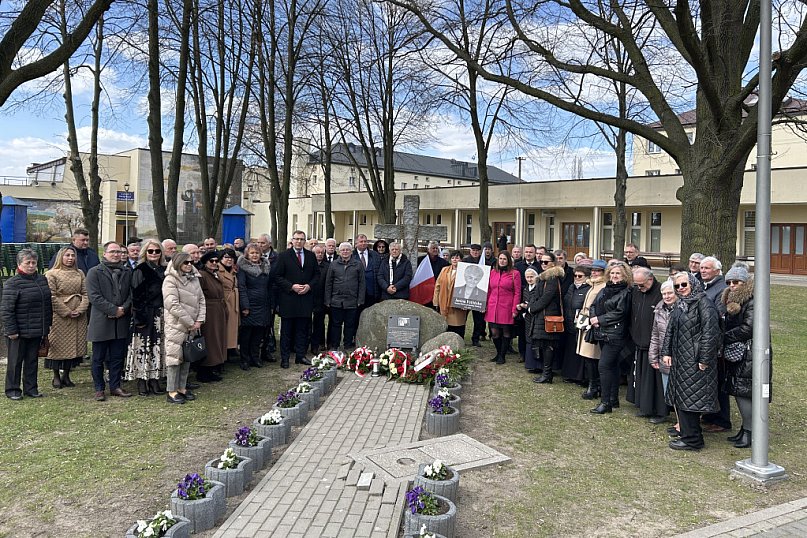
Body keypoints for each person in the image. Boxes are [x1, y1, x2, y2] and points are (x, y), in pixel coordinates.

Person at [662, 272, 720, 451]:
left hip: (695, 361)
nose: (681, 289)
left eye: (684, 285)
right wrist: (667, 351)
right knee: (682, 398)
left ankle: (693, 440)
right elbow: (670, 330)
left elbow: (711, 334)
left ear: (693, 284)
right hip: (681, 360)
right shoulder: (681, 304)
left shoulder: (704, 303)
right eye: (677, 286)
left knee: (690, 400)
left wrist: (704, 359)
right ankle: (687, 434)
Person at [2, 249, 53, 400]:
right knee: (15, 362)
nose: (31, 266)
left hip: (37, 329)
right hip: (18, 331)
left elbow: (47, 304)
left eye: (34, 262)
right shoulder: (12, 283)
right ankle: (12, 389)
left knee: (32, 361)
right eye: (27, 263)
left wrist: (46, 326)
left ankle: (31, 388)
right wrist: (11, 330)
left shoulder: (41, 280)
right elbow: (6, 309)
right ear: (19, 264)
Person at [719, 263, 760, 449]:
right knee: (738, 391)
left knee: (744, 392)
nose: (732, 285)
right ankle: (745, 429)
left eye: (736, 281)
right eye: (729, 282)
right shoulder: (730, 300)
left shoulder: (751, 301)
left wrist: (725, 336)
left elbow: (748, 328)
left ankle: (750, 432)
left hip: (749, 353)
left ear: (745, 282)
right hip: (737, 353)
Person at [86, 242, 133, 401]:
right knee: (98, 358)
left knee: (117, 357)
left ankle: (115, 386)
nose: (116, 254)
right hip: (101, 321)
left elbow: (131, 295)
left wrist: (123, 309)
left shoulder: (127, 272)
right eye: (112, 252)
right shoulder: (94, 272)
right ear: (104, 253)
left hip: (121, 322)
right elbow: (94, 296)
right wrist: (113, 310)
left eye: (119, 252)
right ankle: (99, 388)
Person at [124, 240, 167, 396]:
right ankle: (142, 380)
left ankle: (155, 379)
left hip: (161, 313)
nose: (154, 254)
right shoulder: (140, 270)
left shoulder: (166, 269)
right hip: (144, 313)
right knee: (143, 348)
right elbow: (136, 296)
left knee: (158, 346)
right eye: (150, 251)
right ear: (145, 253)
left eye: (157, 251)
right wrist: (139, 318)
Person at [589, 261, 632, 414]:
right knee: (612, 366)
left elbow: (620, 313)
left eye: (618, 273)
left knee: (604, 366)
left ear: (624, 275)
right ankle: (613, 399)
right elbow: (593, 305)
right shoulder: (606, 288)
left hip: (615, 334)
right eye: (612, 273)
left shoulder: (626, 292)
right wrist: (594, 317)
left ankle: (605, 403)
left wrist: (599, 320)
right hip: (601, 332)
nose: (614, 276)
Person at [162, 252, 205, 404]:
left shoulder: (194, 278)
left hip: (192, 324)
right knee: (174, 358)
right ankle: (171, 390)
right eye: (185, 262)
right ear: (178, 263)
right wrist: (189, 321)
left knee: (187, 356)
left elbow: (201, 300)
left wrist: (199, 320)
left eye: (191, 262)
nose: (189, 265)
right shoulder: (170, 280)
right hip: (176, 324)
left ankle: (181, 387)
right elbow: (172, 304)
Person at [44, 246, 88, 389]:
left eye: (72, 255)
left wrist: (80, 309)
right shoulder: (51, 274)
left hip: (78, 315)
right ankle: (56, 375)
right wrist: (66, 311)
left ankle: (67, 375)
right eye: (67, 255)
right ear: (60, 257)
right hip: (59, 316)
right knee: (57, 345)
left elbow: (86, 293)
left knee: (74, 345)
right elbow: (51, 296)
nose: (70, 258)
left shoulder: (80, 273)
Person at [274, 230, 318, 368]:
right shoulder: (283, 256)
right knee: (287, 331)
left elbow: (317, 275)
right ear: (292, 240)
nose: (299, 241)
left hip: (305, 299)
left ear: (305, 241)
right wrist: (291, 286)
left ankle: (300, 356)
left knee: (302, 330)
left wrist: (309, 286)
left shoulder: (311, 256)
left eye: (302, 239)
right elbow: (277, 277)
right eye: (296, 239)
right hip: (289, 299)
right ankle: (285, 358)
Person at [699, 255, 732, 433]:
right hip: (706, 339)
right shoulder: (706, 286)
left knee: (719, 382)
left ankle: (722, 420)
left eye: (707, 268)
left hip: (715, 342)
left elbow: (719, 316)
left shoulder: (721, 289)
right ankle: (711, 414)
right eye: (702, 268)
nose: (702, 270)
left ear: (717, 271)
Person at [629, 266, 666, 422]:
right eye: (637, 285)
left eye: (642, 284)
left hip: (655, 344)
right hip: (639, 341)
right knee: (642, 378)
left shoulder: (660, 293)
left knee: (656, 381)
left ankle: (660, 411)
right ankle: (644, 406)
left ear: (650, 279)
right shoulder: (637, 292)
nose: (639, 288)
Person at [524, 252, 564, 383]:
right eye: (541, 261)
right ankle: (545, 373)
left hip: (548, 316)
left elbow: (546, 298)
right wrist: (531, 305)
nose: (543, 264)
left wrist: (532, 308)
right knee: (543, 345)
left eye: (546, 262)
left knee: (548, 346)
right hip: (541, 316)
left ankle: (547, 374)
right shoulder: (542, 278)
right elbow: (535, 295)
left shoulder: (553, 278)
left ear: (553, 263)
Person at [237, 243, 273, 369]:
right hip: (250, 305)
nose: (254, 255)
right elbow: (242, 287)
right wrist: (245, 306)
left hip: (263, 305)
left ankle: (255, 358)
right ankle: (245, 360)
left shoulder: (265, 266)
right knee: (247, 335)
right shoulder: (243, 268)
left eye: (257, 253)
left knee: (259, 334)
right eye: (252, 253)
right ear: (247, 254)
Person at [649, 279, 678, 434]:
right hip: (663, 356)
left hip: (679, 357)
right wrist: (653, 356)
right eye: (664, 293)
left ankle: (682, 424)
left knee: (681, 392)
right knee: (669, 390)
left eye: (670, 293)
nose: (666, 296)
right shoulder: (659, 309)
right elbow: (655, 334)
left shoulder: (682, 308)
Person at [325, 242, 365, 349]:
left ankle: (347, 345)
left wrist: (360, 300)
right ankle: (335, 345)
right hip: (336, 300)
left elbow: (362, 283)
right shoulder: (333, 264)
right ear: (339, 252)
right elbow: (328, 283)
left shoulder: (358, 264)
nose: (345, 252)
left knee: (349, 325)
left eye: (347, 250)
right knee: (335, 325)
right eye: (343, 250)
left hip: (352, 300)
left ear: (351, 251)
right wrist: (327, 300)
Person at [577, 260, 607, 400]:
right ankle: (593, 385)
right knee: (587, 357)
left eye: (597, 270)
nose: (594, 272)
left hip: (593, 324)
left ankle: (594, 386)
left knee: (592, 357)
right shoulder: (592, 285)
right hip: (585, 323)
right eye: (593, 270)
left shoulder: (603, 286)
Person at [485, 250, 521, 365]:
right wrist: (485, 305)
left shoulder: (515, 273)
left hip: (506, 306)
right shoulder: (492, 272)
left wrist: (514, 309)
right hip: (493, 306)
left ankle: (502, 355)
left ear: (508, 261)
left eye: (505, 259)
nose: (502, 261)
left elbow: (517, 292)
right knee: (494, 332)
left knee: (506, 332)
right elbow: (489, 290)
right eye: (500, 258)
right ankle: (498, 352)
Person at [197, 250, 228, 381]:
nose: (214, 263)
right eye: (211, 261)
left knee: (217, 339)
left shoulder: (214, 274)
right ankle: (205, 370)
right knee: (210, 340)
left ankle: (213, 367)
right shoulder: (202, 275)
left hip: (218, 310)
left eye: (216, 261)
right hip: (209, 311)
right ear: (205, 262)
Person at [560, 264, 591, 384]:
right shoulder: (571, 287)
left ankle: (581, 377)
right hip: (569, 322)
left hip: (581, 324)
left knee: (580, 351)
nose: (577, 277)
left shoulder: (588, 289)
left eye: (580, 276)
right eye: (575, 275)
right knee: (570, 350)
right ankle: (569, 374)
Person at [433, 250, 469, 337]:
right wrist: (436, 301)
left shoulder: (465, 272)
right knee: (446, 325)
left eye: (457, 258)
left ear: (461, 260)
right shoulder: (444, 270)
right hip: (444, 303)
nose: (454, 260)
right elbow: (438, 286)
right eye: (453, 258)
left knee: (458, 326)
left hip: (458, 304)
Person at [463, 243, 487, 346]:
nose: (475, 252)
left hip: (478, 294)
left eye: (477, 250)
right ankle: (460, 336)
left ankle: (475, 339)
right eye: (473, 250)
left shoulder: (484, 262)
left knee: (478, 320)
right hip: (465, 294)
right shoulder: (464, 262)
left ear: (480, 252)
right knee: (462, 318)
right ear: (470, 251)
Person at [218, 248, 240, 360]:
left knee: (232, 328)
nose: (229, 259)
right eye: (226, 257)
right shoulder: (218, 270)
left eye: (231, 257)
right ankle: (224, 352)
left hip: (233, 301)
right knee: (225, 328)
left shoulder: (233, 270)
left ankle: (231, 349)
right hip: (225, 301)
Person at [310, 245, 330, 354]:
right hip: (307, 298)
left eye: (322, 252)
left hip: (321, 299)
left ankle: (316, 345)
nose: (320, 254)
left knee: (319, 324)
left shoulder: (328, 266)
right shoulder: (307, 265)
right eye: (317, 252)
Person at [354, 234, 381, 311]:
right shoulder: (351, 256)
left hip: (372, 292)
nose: (363, 243)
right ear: (356, 243)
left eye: (365, 241)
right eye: (361, 241)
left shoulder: (375, 255)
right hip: (357, 293)